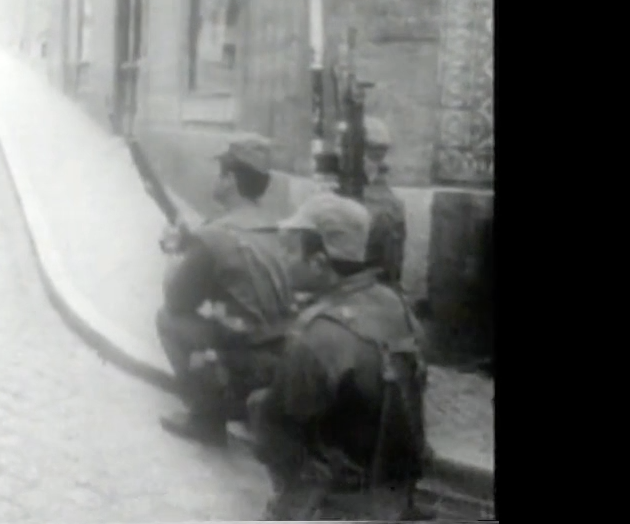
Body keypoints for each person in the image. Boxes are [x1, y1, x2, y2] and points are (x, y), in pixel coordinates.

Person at [247, 192, 429, 521]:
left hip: (337, 502)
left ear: (318, 263)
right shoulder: (397, 306)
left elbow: (277, 435)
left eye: (290, 249)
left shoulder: (314, 334)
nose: (283, 259)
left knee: (261, 408)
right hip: (394, 489)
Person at [156, 135, 296, 447]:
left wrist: (174, 255)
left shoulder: (215, 234)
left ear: (231, 180)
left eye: (221, 172)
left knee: (168, 319)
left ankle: (206, 418)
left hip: (245, 363)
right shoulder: (275, 227)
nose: (216, 179)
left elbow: (177, 299)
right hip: (283, 358)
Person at [361, 117, 407, 288]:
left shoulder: (390, 204)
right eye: (373, 151)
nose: (375, 157)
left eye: (378, 152)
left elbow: (392, 263)